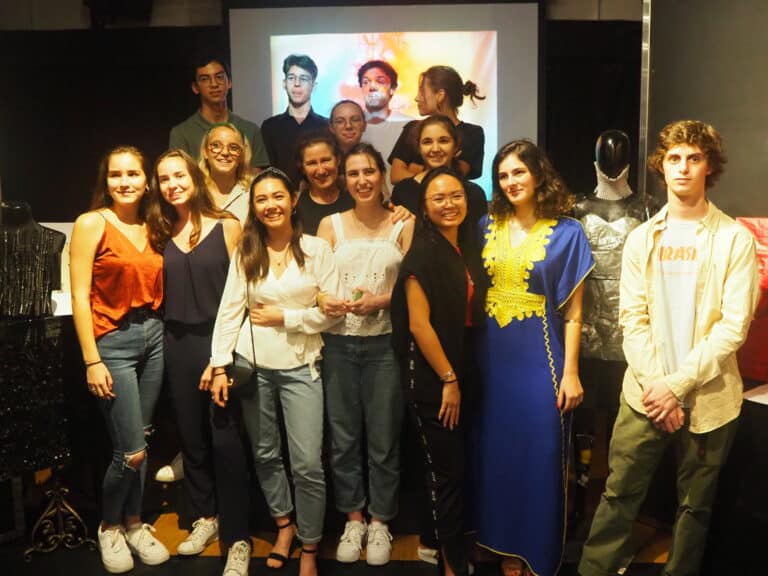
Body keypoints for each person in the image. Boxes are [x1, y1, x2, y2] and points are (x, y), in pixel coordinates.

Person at [578, 120, 759, 576]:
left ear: (709, 166)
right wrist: (660, 388)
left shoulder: (734, 239)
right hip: (645, 393)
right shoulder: (642, 238)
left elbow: (733, 328)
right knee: (618, 497)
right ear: (661, 166)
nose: (682, 167)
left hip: (710, 399)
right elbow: (632, 319)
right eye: (674, 158)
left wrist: (677, 386)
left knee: (694, 508)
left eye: (693, 158)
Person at [210, 168, 341, 576]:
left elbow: (333, 315)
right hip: (254, 367)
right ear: (254, 207)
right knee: (265, 454)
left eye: (278, 196)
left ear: (293, 199)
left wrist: (286, 317)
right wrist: (219, 364)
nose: (270, 205)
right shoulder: (247, 251)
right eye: (262, 199)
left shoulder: (317, 249)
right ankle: (285, 526)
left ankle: (310, 545)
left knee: (307, 464)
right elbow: (230, 310)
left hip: (303, 366)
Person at [474, 140, 594, 576]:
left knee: (540, 454)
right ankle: (505, 547)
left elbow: (575, 313)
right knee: (498, 452)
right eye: (503, 175)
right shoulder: (486, 225)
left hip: (542, 359)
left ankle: (535, 551)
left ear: (539, 174)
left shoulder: (568, 232)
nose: (511, 182)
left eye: (519, 172)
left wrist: (571, 373)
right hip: (492, 359)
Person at [70, 146, 169, 574]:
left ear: (147, 181)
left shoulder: (154, 224)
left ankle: (134, 522)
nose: (124, 182)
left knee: (143, 439)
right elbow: (79, 295)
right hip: (112, 342)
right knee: (130, 452)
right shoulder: (92, 223)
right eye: (116, 174)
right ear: (105, 181)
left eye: (133, 174)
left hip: (155, 335)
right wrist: (91, 360)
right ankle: (109, 525)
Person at [316, 143, 414, 566]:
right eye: (353, 173)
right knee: (343, 438)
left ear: (382, 175)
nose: (362, 180)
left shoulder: (403, 223)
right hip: (338, 343)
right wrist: (325, 300)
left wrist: (381, 301)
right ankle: (353, 518)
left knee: (383, 437)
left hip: (385, 343)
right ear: (345, 179)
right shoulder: (330, 224)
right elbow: (314, 284)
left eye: (369, 171)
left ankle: (379, 521)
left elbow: (413, 287)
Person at [145, 149, 241, 560]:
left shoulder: (228, 226)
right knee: (191, 436)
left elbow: (242, 295)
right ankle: (205, 517)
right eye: (165, 179)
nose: (173, 185)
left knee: (226, 438)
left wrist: (221, 356)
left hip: (221, 343)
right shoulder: (158, 232)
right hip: (177, 344)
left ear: (195, 177)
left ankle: (236, 524)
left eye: (179, 176)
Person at [391, 167, 484, 576]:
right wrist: (449, 379)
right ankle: (451, 565)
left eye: (456, 196)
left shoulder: (463, 247)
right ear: (425, 208)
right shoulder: (423, 255)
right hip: (435, 381)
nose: (449, 204)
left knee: (458, 471)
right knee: (447, 475)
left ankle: (449, 550)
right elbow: (419, 325)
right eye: (439, 198)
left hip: (462, 373)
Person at [391, 114, 487, 243]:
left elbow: (478, 243)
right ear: (419, 148)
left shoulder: (474, 193)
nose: (435, 149)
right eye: (427, 142)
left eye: (443, 141)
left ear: (456, 146)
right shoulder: (403, 191)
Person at [169, 54, 269, 170]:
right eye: (205, 79)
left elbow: (257, 177)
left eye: (219, 77)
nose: (214, 84)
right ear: (195, 87)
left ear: (229, 82)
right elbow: (178, 174)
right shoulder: (182, 133)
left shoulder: (250, 130)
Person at [389, 65, 485, 185]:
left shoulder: (472, 133)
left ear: (440, 95)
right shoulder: (412, 129)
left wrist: (415, 169)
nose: (417, 98)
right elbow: (396, 175)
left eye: (422, 92)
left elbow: (454, 176)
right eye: (427, 142)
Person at [261, 54, 330, 183]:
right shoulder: (270, 127)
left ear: (314, 86)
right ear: (284, 83)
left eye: (303, 79)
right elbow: (266, 171)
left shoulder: (327, 126)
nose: (297, 84)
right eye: (291, 78)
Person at [357, 60, 414, 181]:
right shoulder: (351, 127)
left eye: (380, 81)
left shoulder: (410, 126)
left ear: (393, 88)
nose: (372, 87)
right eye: (366, 82)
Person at [200, 122, 254, 225]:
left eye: (233, 148)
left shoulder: (252, 192)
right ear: (205, 152)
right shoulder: (194, 191)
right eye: (216, 145)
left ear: (242, 155)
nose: (225, 152)